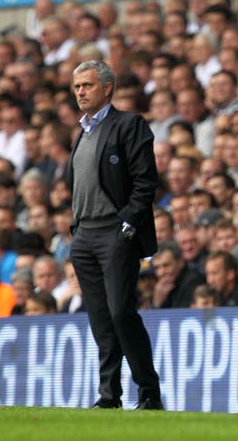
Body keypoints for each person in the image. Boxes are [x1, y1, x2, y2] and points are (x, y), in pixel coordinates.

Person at [68, 61, 162, 410]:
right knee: (101, 320)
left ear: (107, 88)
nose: (80, 92)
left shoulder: (129, 124)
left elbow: (145, 180)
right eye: (77, 86)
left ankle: (148, 391)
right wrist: (76, 228)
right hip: (85, 235)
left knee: (122, 313)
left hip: (114, 232)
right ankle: (109, 396)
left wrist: (128, 224)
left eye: (87, 85)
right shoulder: (82, 133)